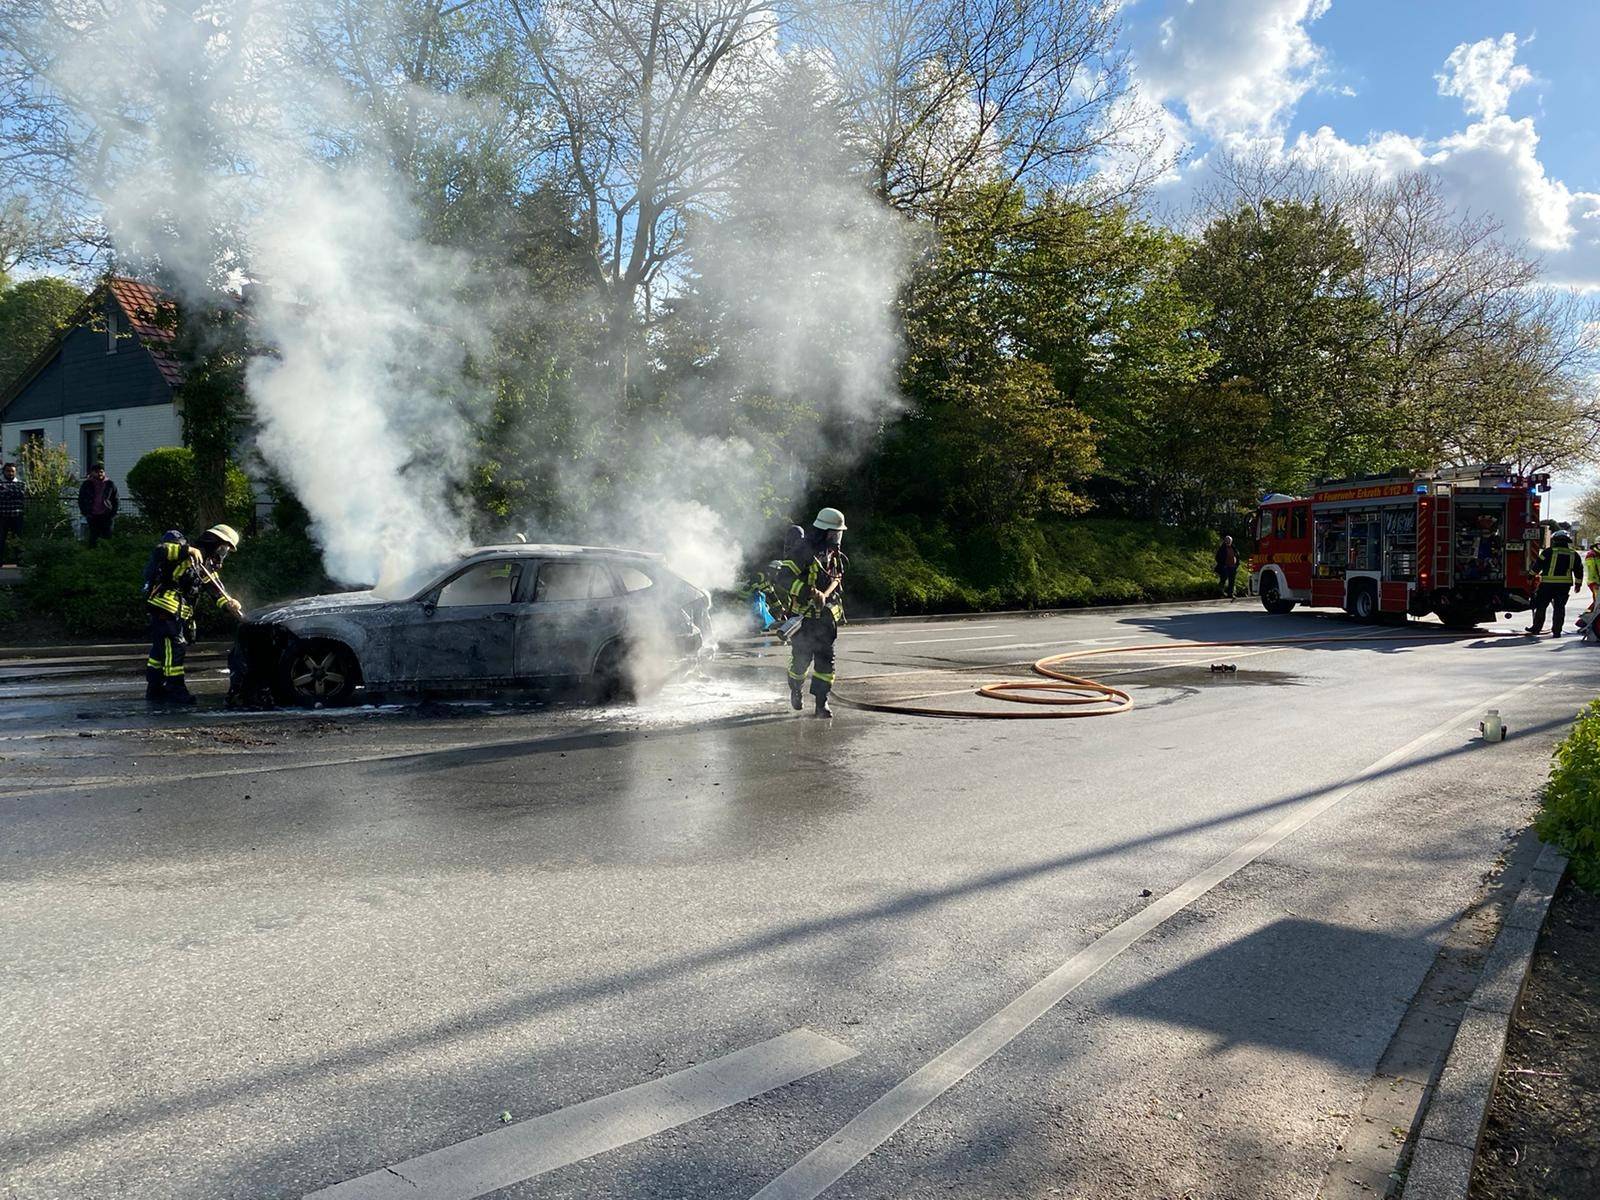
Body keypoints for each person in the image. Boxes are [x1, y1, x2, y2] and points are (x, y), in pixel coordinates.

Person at [144, 524, 244, 705]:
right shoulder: (188, 553)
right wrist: (187, 550)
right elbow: (160, 551)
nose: (224, 553)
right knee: (174, 649)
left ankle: (155, 688)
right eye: (224, 548)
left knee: (160, 652)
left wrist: (229, 603)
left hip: (176, 612)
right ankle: (176, 691)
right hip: (166, 608)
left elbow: (215, 590)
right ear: (216, 542)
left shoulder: (204, 565)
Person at [776, 508, 848, 718]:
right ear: (823, 531)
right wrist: (810, 592)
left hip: (826, 620)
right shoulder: (802, 551)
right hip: (805, 620)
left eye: (838, 534)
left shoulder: (833, 554)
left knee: (826, 662)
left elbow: (837, 578)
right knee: (801, 661)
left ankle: (821, 703)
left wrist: (827, 596)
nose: (837, 538)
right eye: (834, 533)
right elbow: (784, 578)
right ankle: (795, 688)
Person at [1525, 529, 1584, 638]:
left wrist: (1531, 575)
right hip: (1564, 586)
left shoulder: (1548, 552)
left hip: (1547, 585)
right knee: (1559, 608)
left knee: (1541, 606)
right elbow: (1579, 570)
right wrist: (1578, 584)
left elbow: (1538, 565)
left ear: (1555, 540)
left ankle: (1536, 629)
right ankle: (1557, 631)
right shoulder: (1573, 554)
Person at [77, 463, 119, 545]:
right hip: (92, 514)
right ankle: (93, 554)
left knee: (107, 536)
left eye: (101, 471)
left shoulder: (109, 484)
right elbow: (81, 499)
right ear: (92, 472)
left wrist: (113, 513)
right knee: (93, 536)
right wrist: (85, 512)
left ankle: (106, 554)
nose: (99, 474)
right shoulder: (87, 484)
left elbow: (116, 499)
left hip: (106, 514)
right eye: (97, 472)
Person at [0, 462, 23, 567]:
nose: (10, 473)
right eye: (8, 471)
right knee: (1, 539)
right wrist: (11, 493)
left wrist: (6, 492)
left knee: (18, 539)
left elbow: (20, 494)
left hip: (17, 515)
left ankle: (20, 560)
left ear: (15, 472)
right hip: (2, 516)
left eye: (12, 471)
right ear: (3, 472)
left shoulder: (20, 484)